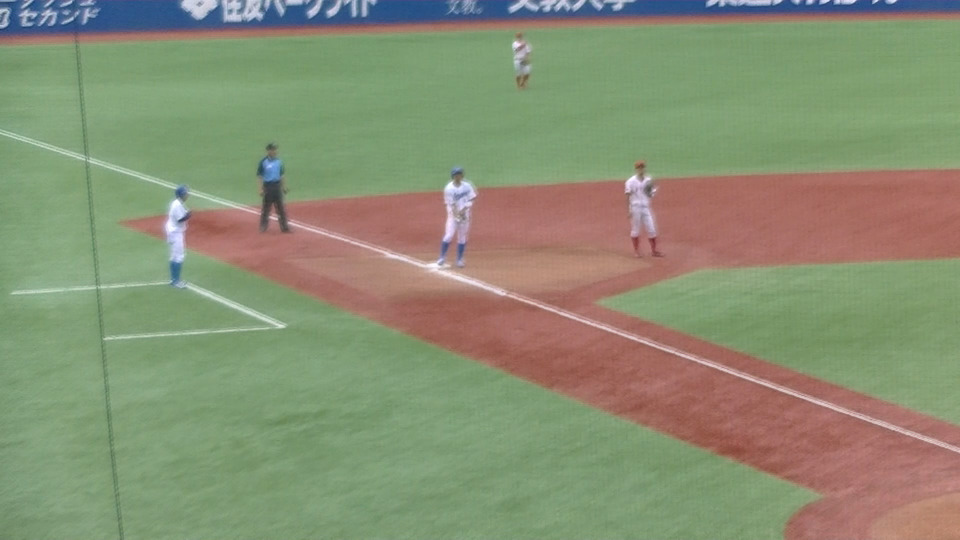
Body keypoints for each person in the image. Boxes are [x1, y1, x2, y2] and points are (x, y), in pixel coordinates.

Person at [437, 166, 478, 268]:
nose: (458, 176)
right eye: (456, 175)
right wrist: (457, 215)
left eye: (459, 174)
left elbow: (472, 198)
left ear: (462, 175)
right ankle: (442, 257)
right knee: (449, 235)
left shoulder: (467, 186)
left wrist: (463, 211)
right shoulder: (449, 189)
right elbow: (451, 204)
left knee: (462, 237)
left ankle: (459, 259)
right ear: (453, 176)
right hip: (453, 216)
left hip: (465, 215)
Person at [624, 160, 663, 257]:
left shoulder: (648, 180)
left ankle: (654, 251)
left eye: (642, 167)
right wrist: (629, 209)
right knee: (635, 229)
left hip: (646, 207)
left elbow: (651, 194)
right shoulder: (630, 181)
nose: (641, 169)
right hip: (635, 207)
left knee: (652, 228)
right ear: (636, 169)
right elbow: (628, 196)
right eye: (639, 168)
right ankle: (636, 251)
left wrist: (651, 192)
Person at [257, 142, 290, 233]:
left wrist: (284, 187)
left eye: (275, 149)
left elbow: (282, 175)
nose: (275, 151)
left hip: (277, 186)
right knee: (266, 208)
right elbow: (260, 176)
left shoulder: (279, 162)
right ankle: (263, 226)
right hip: (268, 186)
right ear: (268, 151)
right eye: (273, 150)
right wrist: (260, 189)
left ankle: (285, 227)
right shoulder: (263, 162)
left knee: (281, 208)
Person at [165, 184, 192, 288]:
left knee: (174, 256)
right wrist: (188, 215)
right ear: (182, 194)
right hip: (176, 233)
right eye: (186, 193)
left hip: (173, 231)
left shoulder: (177, 203)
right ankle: (176, 281)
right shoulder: (177, 205)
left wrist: (187, 214)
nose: (187, 195)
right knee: (179, 256)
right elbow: (180, 219)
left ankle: (173, 279)